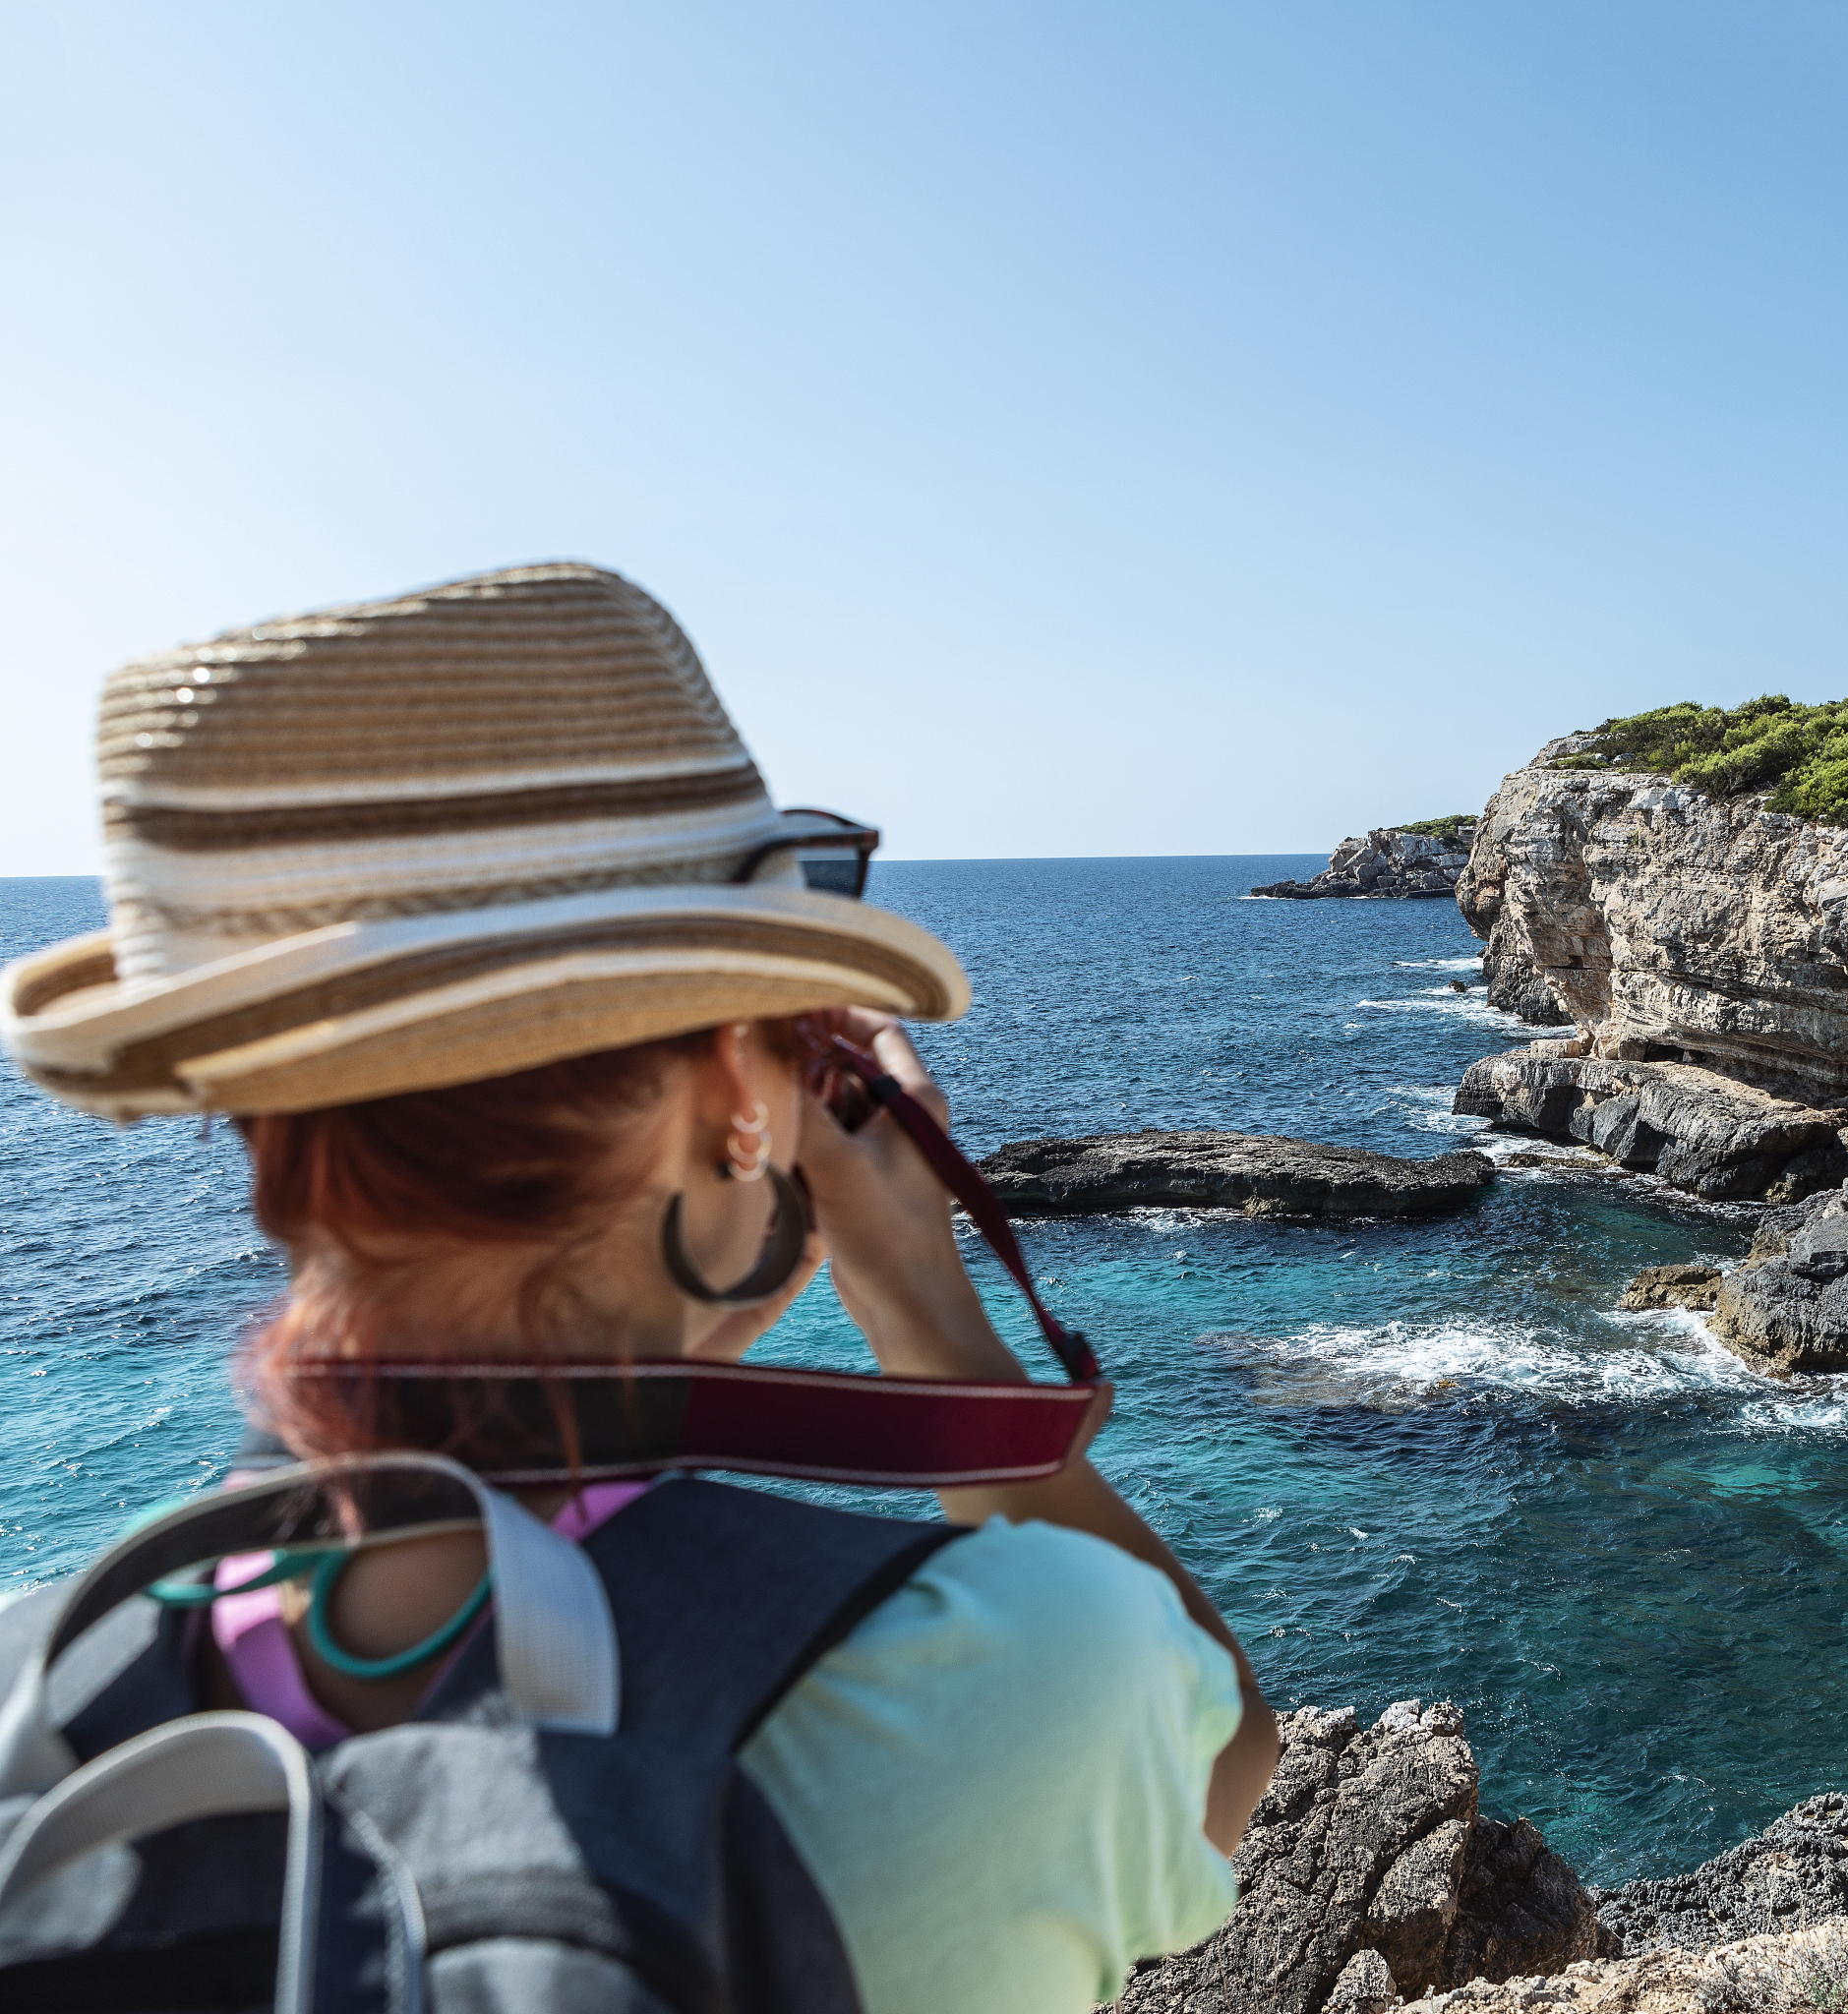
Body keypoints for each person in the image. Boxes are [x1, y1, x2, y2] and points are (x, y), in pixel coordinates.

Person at [0, 562, 1277, 2013]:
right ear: (744, 1077)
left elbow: (483, 1464)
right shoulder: (993, 1685)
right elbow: (1226, 1767)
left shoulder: (48, 1680)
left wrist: (697, 1298)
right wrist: (919, 1298)